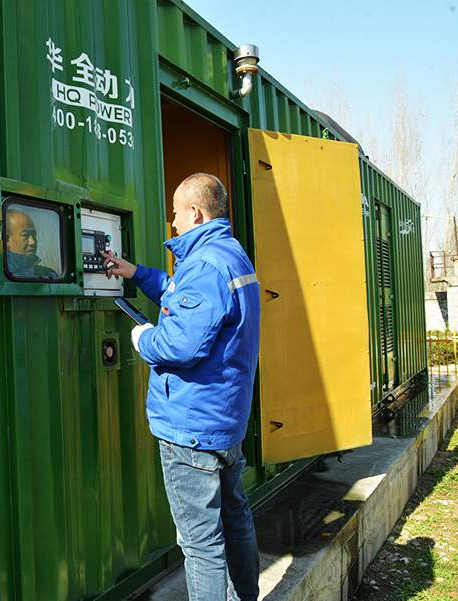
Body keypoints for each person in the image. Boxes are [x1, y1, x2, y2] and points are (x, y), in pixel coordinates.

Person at [102, 173, 261, 601]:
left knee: (201, 545)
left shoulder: (205, 265)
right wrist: (135, 273)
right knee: (236, 520)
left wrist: (144, 339)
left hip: (192, 429)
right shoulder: (229, 255)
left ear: (195, 212)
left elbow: (180, 344)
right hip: (223, 421)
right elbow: (183, 297)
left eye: (175, 213)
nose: (172, 222)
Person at [5, 208, 59, 279]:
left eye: (34, 235)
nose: (32, 242)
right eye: (25, 235)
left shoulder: (48, 274)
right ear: (7, 240)